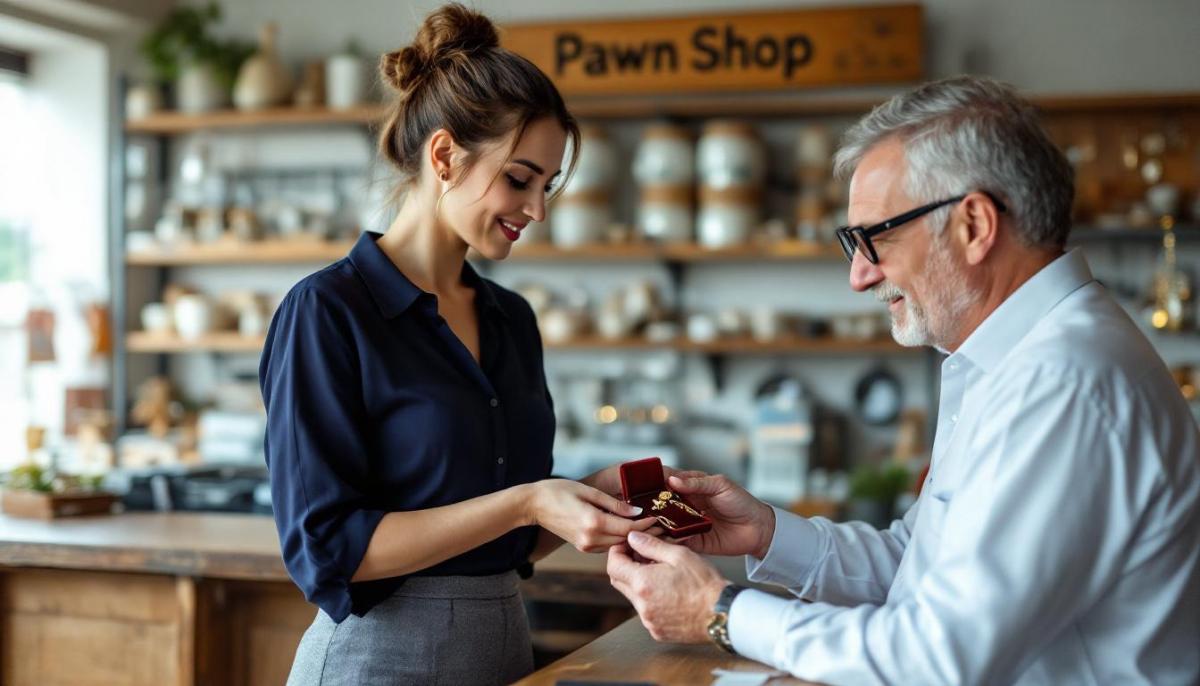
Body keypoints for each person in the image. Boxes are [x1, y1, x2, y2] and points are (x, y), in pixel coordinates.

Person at [606, 76, 1200, 685]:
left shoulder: (1063, 383)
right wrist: (766, 534)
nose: (859, 277)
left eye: (874, 237)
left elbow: (939, 659)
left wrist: (717, 611)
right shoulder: (1004, 360)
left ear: (973, 224)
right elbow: (920, 566)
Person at [260, 5, 657, 684]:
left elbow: (507, 540)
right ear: (443, 156)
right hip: (374, 662)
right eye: (519, 178)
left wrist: (584, 497)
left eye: (548, 185)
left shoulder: (512, 319)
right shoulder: (327, 312)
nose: (538, 210)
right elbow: (329, 551)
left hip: (501, 651)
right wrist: (531, 499)